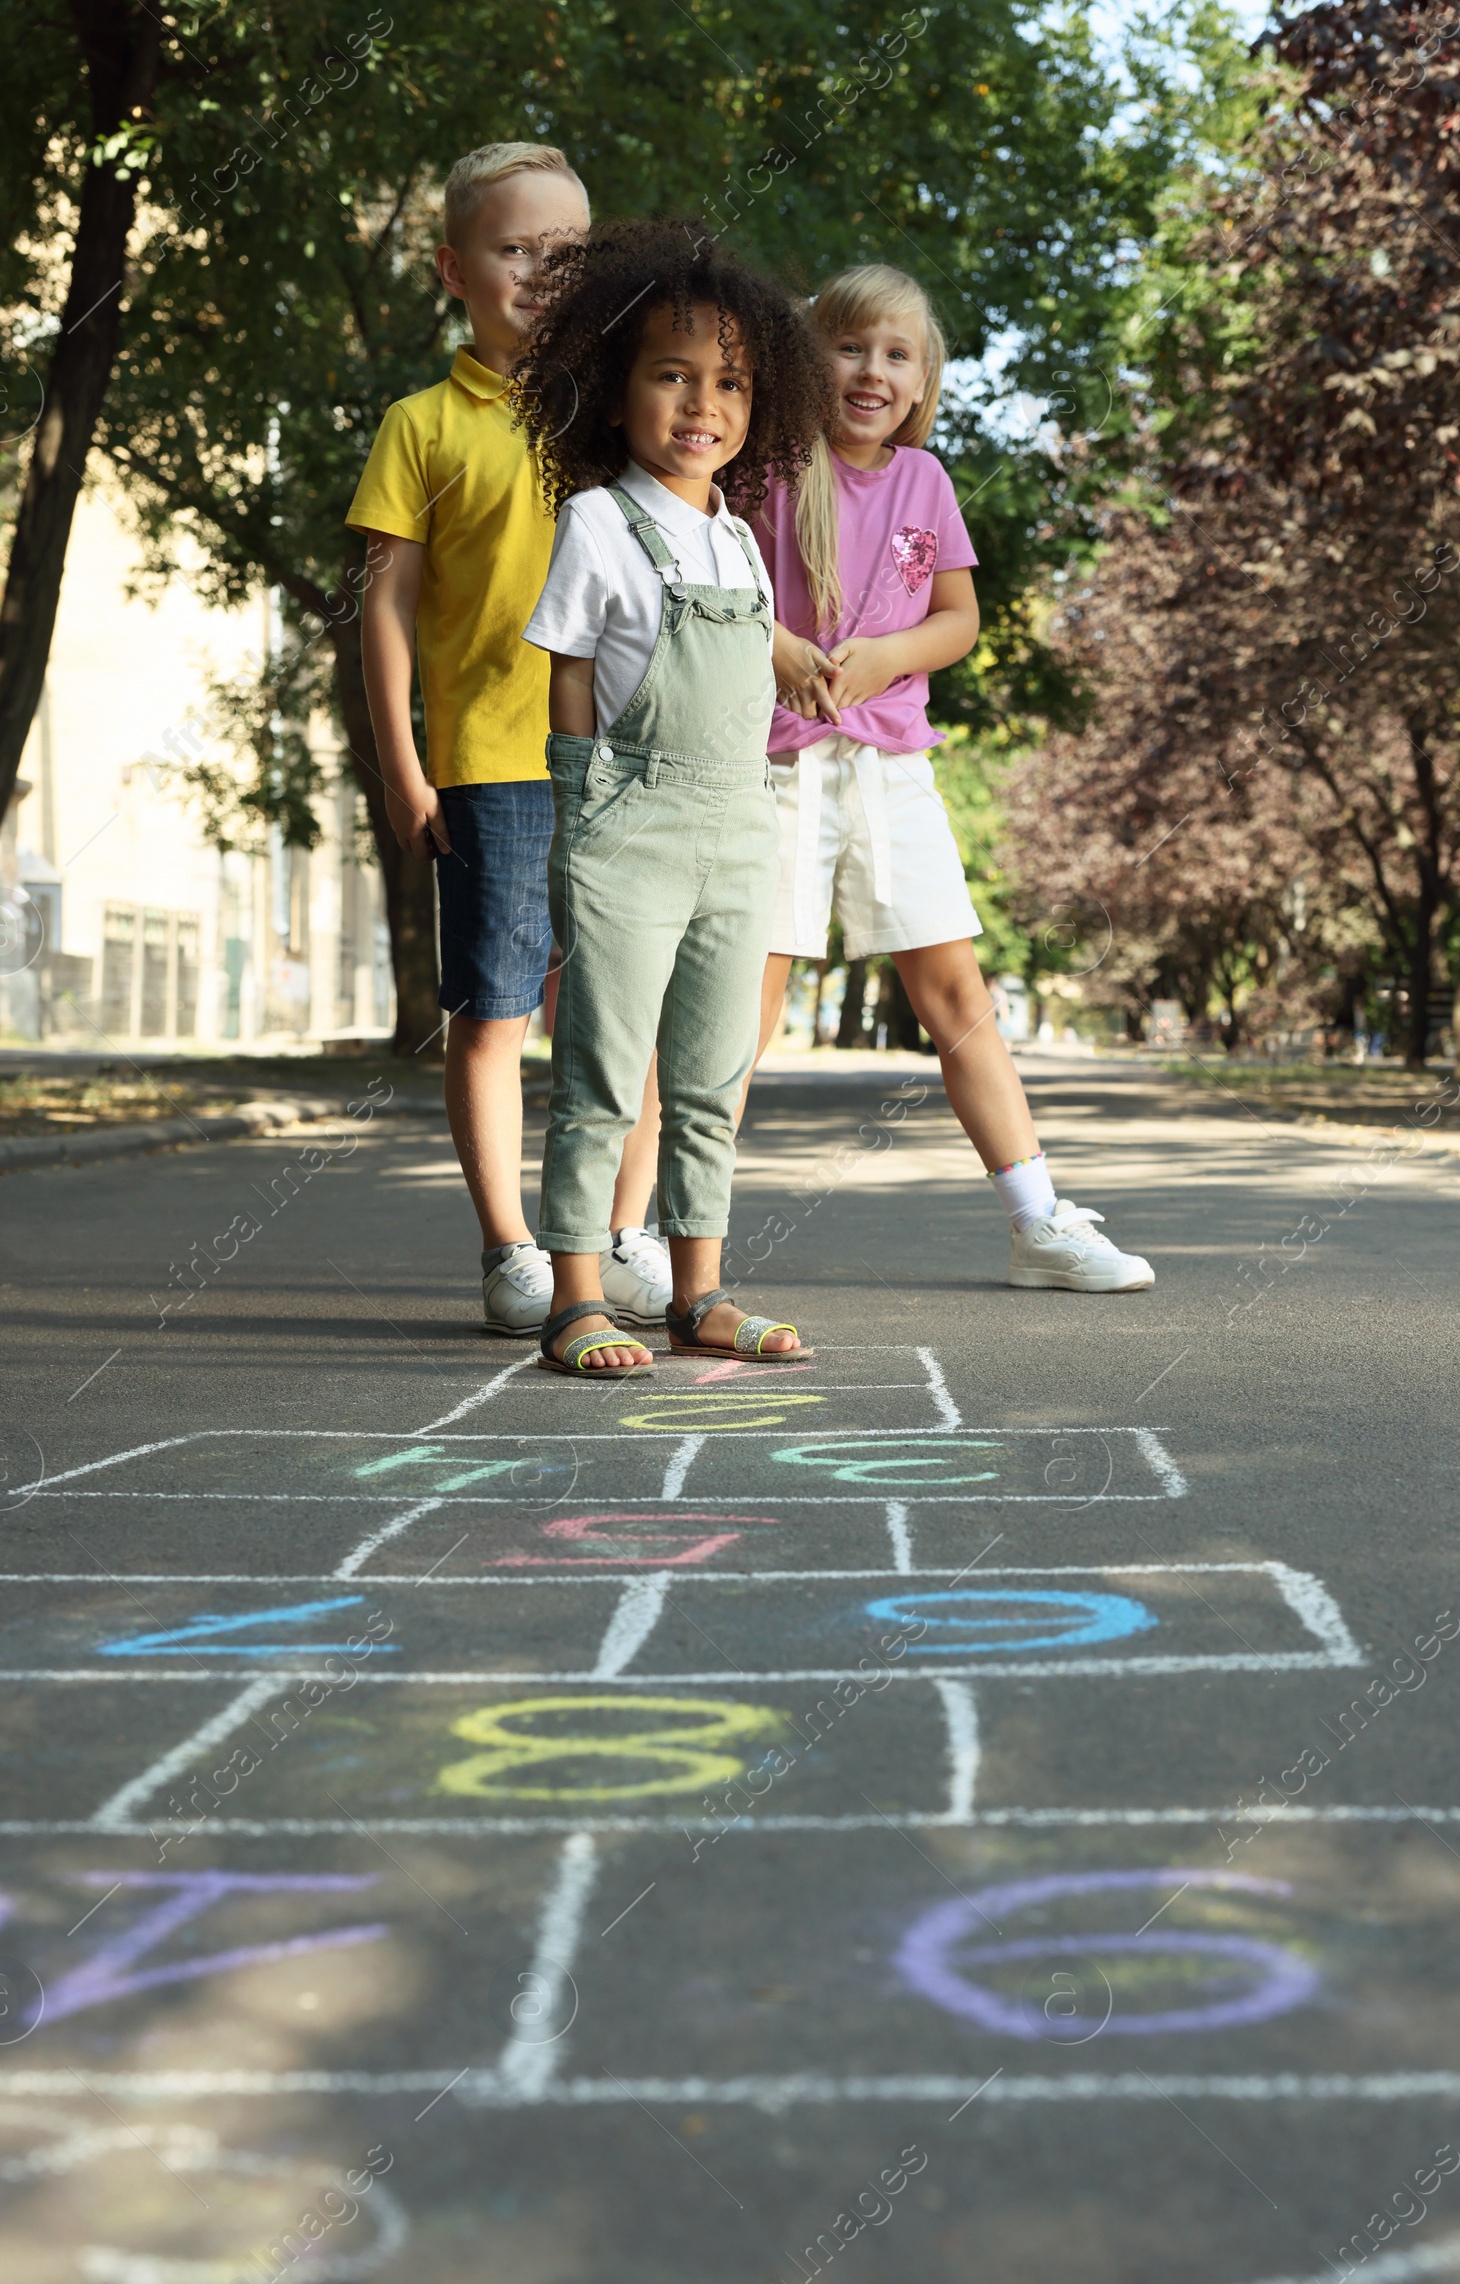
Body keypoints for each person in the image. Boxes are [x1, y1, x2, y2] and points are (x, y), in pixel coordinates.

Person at [749, 265, 1155, 1294]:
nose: (870, 370)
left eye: (895, 355)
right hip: (777, 768)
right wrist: (789, 651)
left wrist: (888, 656)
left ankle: (1037, 1220)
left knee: (955, 994)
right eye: (848, 347)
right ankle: (659, 1228)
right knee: (742, 1007)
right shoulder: (764, 470)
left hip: (891, 772)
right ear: (810, 360)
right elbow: (723, 603)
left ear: (923, 379)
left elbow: (957, 618)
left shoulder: (926, 481)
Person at [347, 142, 674, 1338]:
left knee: (622, 1013)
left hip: (632, 766)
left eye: (567, 254)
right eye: (514, 248)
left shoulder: (628, 411)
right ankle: (511, 1246)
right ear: (453, 268)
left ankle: (622, 1228)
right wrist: (402, 762)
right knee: (495, 1013)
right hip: (490, 762)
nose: (542, 270)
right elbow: (386, 602)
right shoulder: (422, 425)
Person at [514, 221, 834, 1374]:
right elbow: (566, 667)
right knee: (603, 1071)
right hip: (628, 822)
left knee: (710, 1078)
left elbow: (748, 653)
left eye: (731, 383)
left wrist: (797, 657)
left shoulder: (741, 541)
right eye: (672, 374)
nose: (703, 403)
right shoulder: (599, 520)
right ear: (612, 392)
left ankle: (699, 1291)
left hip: (737, 829)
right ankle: (574, 1295)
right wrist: (581, 801)